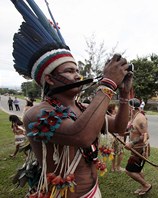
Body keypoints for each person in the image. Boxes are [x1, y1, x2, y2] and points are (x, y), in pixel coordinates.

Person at [11, 1, 133, 197]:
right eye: (69, 71)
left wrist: (124, 94)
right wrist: (108, 84)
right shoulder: (37, 114)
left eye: (77, 70)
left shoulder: (84, 108)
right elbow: (81, 136)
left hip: (94, 191)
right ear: (49, 79)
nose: (77, 76)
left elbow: (119, 127)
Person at [125, 98, 152, 196]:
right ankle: (143, 186)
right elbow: (134, 130)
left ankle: (146, 185)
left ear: (132, 107)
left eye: (128, 107)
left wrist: (132, 143)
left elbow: (145, 135)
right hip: (136, 150)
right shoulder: (134, 116)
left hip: (140, 150)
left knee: (129, 171)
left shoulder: (140, 118)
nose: (127, 109)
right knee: (138, 170)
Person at [107, 104, 125, 172]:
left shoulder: (108, 117)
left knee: (113, 152)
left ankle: (112, 167)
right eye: (116, 107)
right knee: (120, 152)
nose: (117, 108)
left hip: (111, 136)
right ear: (113, 109)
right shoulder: (117, 117)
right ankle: (118, 167)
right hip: (118, 136)